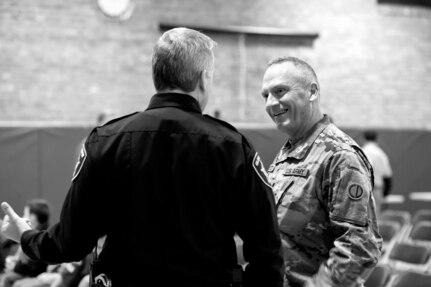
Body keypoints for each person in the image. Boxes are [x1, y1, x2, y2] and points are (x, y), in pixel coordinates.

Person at [0, 27, 284, 287]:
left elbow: (69, 243)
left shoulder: (105, 141)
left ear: (156, 76)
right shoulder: (233, 147)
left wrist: (26, 236)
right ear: (203, 78)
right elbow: (267, 252)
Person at [260, 56, 382, 287]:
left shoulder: (340, 155)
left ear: (312, 92)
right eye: (265, 95)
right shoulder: (291, 150)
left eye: (280, 91)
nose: (270, 103)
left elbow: (359, 247)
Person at [0, 199, 50, 287]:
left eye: (25, 213)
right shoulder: (36, 235)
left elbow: (29, 266)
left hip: (33, 275)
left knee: (6, 279)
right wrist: (14, 261)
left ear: (33, 217)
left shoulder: (39, 237)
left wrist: (14, 266)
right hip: (24, 273)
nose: (22, 216)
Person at [362, 130, 393, 216]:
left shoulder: (361, 151)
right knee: (375, 216)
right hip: (377, 189)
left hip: (363, 188)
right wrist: (386, 193)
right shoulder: (380, 153)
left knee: (363, 216)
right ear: (377, 139)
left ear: (363, 139)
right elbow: (387, 175)